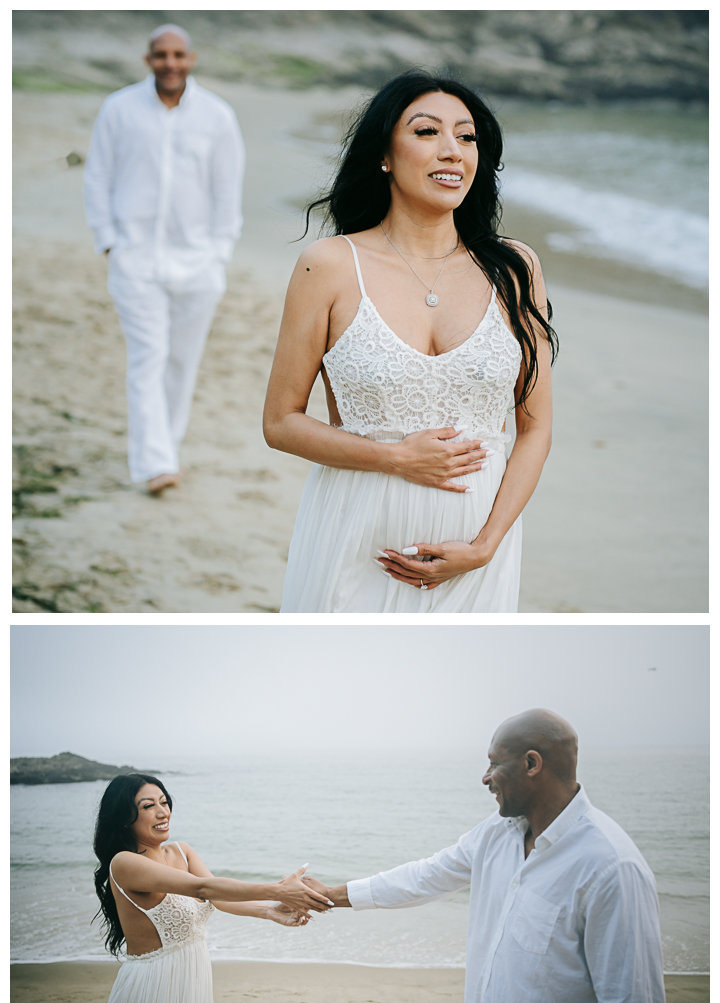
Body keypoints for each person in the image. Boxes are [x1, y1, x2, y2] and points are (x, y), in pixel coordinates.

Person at [263, 71, 555, 612]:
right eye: (427, 133)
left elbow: (535, 428)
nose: (452, 152)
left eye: (466, 138)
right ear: (384, 156)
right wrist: (395, 458)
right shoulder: (329, 266)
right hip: (355, 539)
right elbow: (281, 422)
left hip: (475, 559)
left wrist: (486, 546)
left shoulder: (514, 268)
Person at [303, 710, 666, 1003]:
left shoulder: (611, 868)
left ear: (531, 763)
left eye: (494, 763)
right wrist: (331, 896)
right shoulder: (497, 832)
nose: (485, 777)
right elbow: (425, 876)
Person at [83, 24, 246, 495]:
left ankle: (164, 452)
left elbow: (226, 191)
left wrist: (218, 255)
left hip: (198, 264)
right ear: (148, 60)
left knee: (181, 362)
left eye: (178, 54)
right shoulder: (119, 109)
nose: (169, 62)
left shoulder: (217, 117)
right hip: (134, 260)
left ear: (191, 59)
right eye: (160, 55)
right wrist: (109, 241)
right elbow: (97, 177)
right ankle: (155, 464)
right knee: (148, 358)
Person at [81, 773, 331, 1003]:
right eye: (148, 806)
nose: (163, 812)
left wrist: (270, 910)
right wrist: (277, 889)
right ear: (124, 817)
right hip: (155, 983)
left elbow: (218, 898)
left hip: (192, 976)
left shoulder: (182, 852)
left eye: (164, 802)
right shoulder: (125, 863)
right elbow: (203, 888)